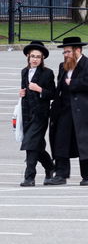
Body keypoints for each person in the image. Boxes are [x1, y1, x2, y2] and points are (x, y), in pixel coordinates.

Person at [49, 37, 88, 186]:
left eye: (68, 51)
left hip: (84, 112)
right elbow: (59, 88)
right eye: (64, 52)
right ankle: (61, 174)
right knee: (61, 141)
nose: (65, 54)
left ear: (78, 50)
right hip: (65, 111)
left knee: (85, 144)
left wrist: (72, 83)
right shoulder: (63, 66)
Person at [17, 42, 56, 186]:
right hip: (27, 115)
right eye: (32, 56)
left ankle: (29, 177)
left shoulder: (47, 73)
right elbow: (24, 91)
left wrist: (39, 89)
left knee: (30, 144)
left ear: (42, 59)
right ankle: (50, 167)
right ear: (28, 57)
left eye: (38, 57)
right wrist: (22, 93)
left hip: (40, 116)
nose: (35, 59)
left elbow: (52, 94)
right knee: (37, 146)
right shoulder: (24, 72)